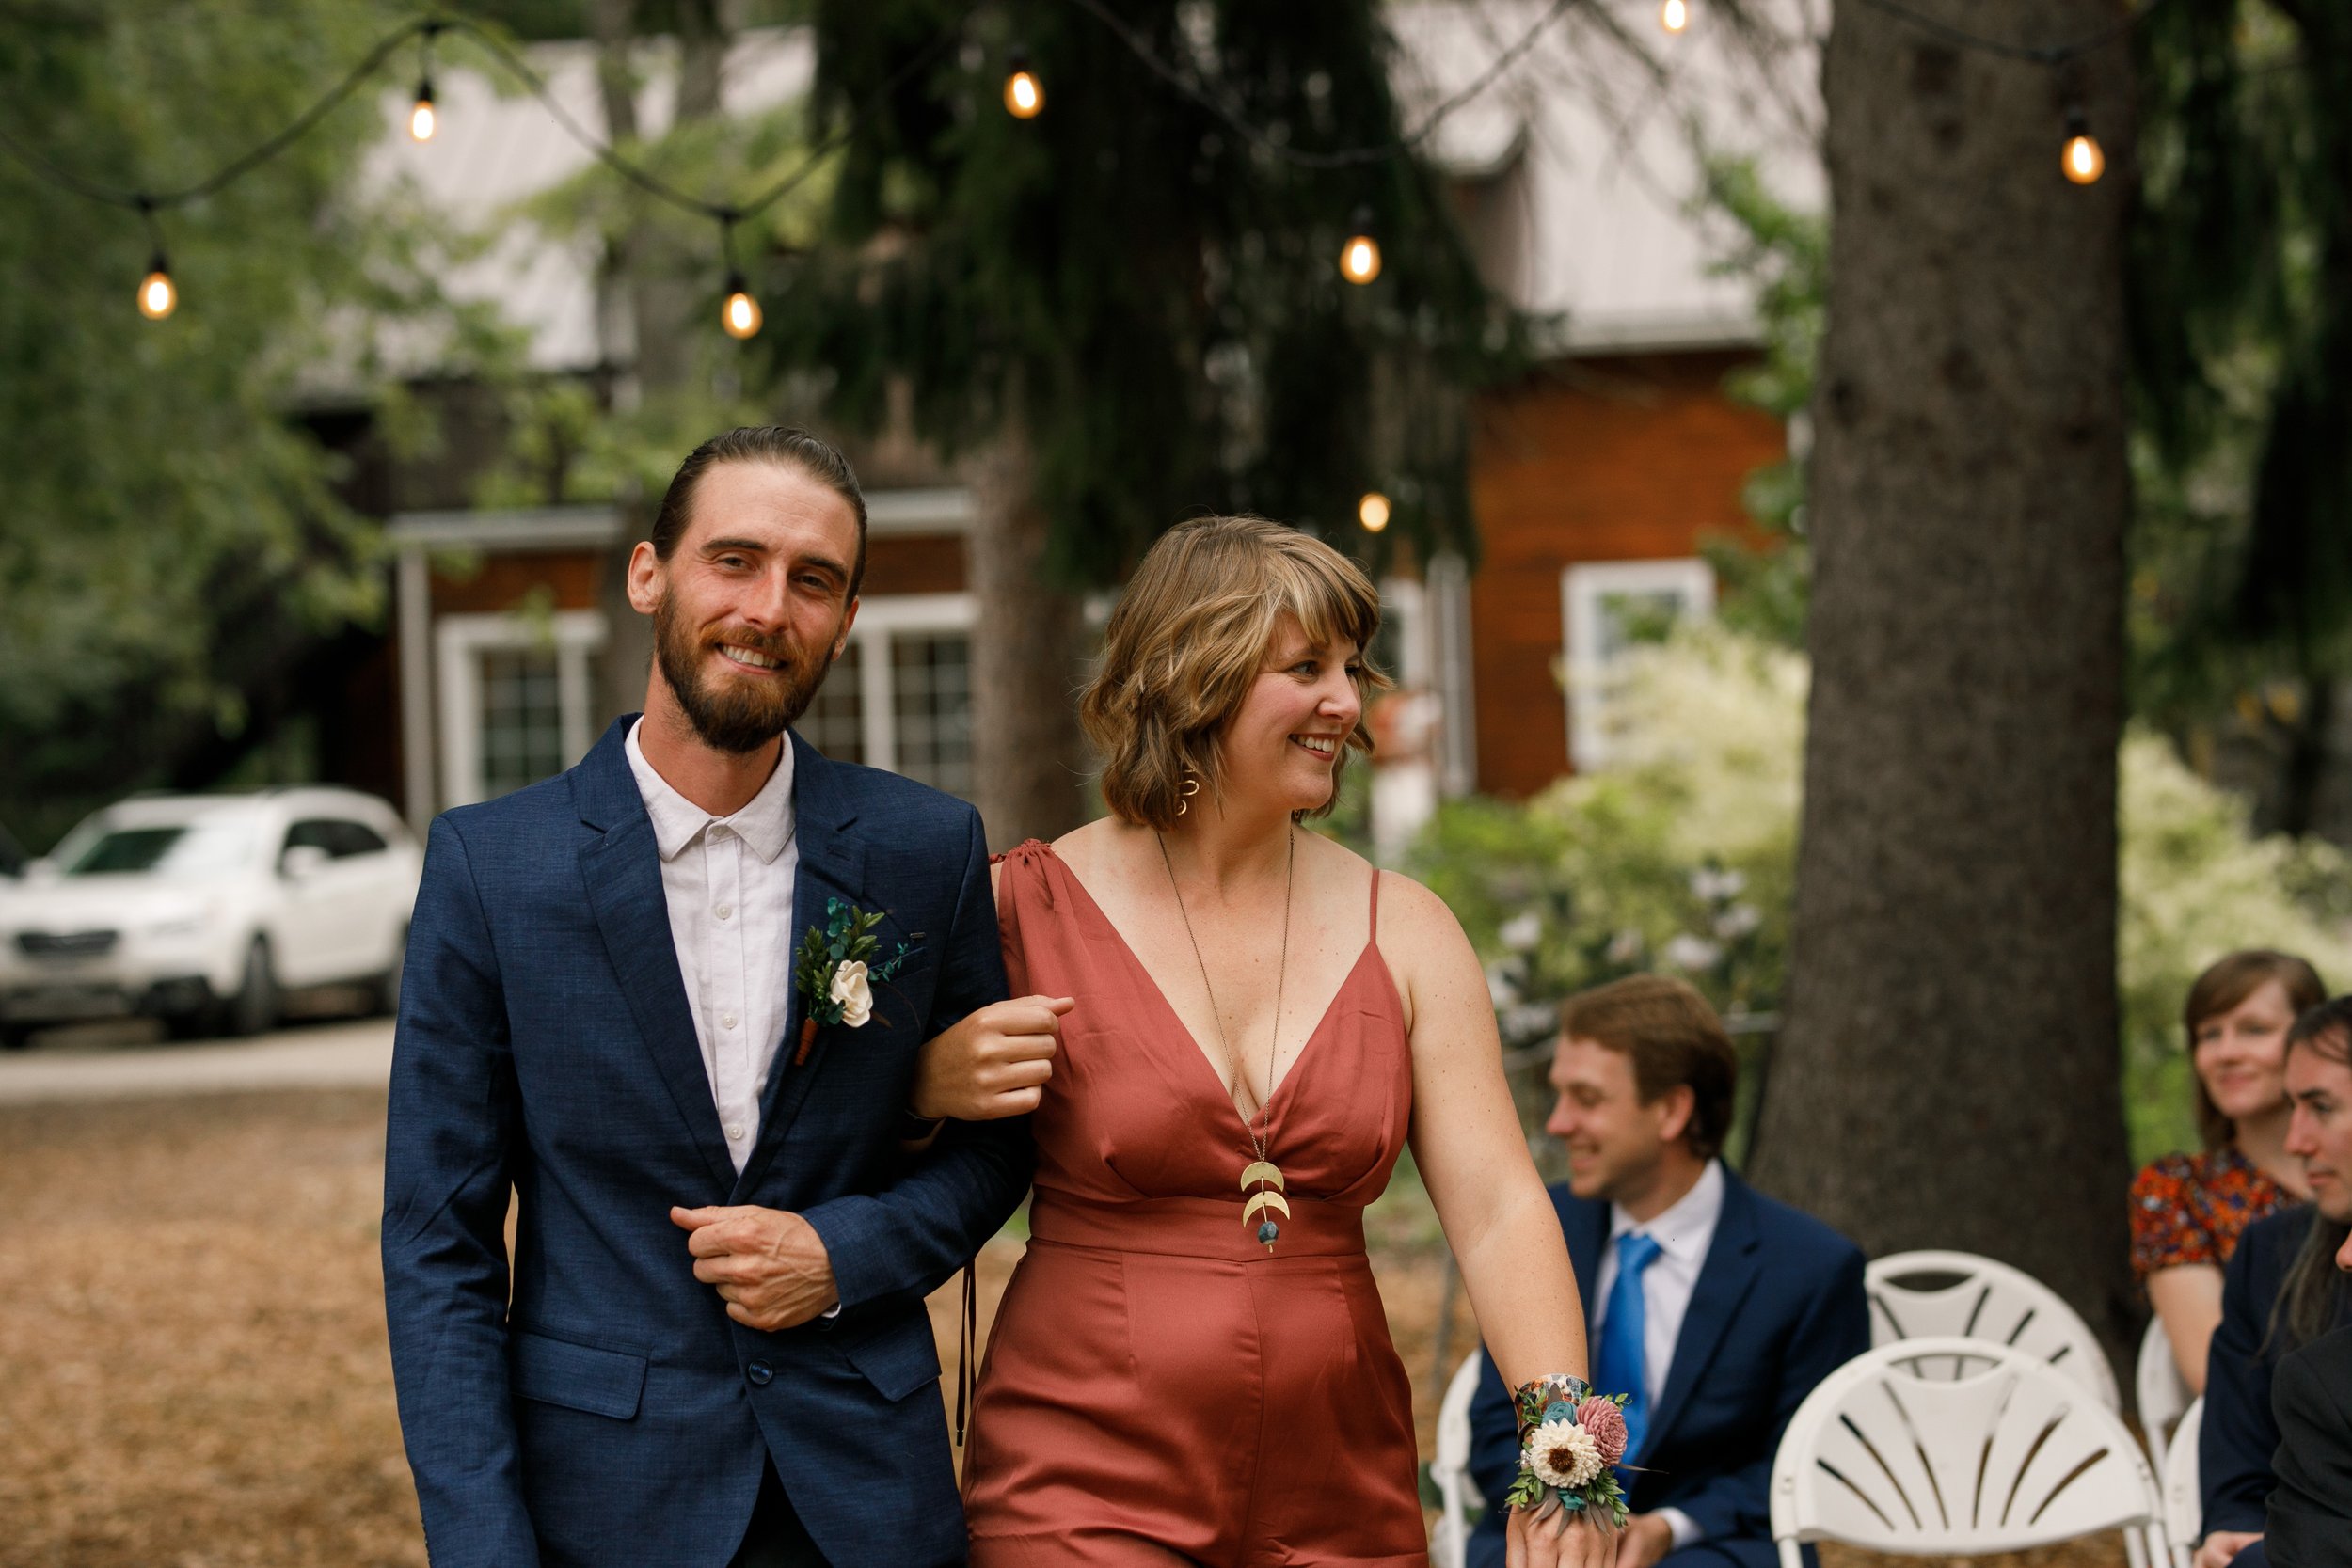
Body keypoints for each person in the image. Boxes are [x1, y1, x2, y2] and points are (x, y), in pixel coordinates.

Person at [382, 428, 1044, 1568]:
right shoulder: (494, 868)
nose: (769, 607)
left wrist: (844, 1252)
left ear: (844, 618)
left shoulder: (924, 848)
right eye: (733, 560)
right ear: (651, 574)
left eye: (814, 580)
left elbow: (994, 1149)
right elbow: (439, 1246)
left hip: (867, 1499)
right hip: (604, 1502)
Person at [915, 515, 1614, 1568]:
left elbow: (1500, 1207)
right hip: (1079, 1476)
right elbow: (877, 1162)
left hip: (1342, 1477)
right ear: (1196, 674)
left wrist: (1567, 1452)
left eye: (1350, 667)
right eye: (1305, 668)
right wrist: (927, 1081)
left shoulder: (1407, 926)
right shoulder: (1022, 907)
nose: (1347, 700)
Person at [1464, 975, 1870, 1568]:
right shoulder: (1538, 1229)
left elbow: (1818, 1458)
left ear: (1672, 1110)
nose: (1558, 1123)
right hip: (1541, 1536)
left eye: (1588, 1098)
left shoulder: (1811, 1268)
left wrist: (1671, 1528)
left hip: (1711, 1549)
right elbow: (1495, 1424)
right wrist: (1565, 1511)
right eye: (1559, 1095)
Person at [2196, 994, 2352, 1568]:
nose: (2295, 1141)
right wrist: (2234, 1530)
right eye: (2292, 1107)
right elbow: (2236, 1450)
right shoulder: (2270, 1253)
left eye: (2321, 1107)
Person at [2133, 951, 2322, 1393]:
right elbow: (2215, 1372)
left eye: (2255, 1030)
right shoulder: (2176, 1189)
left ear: (2316, 1039)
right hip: (2270, 1443)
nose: (2226, 1053)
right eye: (2209, 1035)